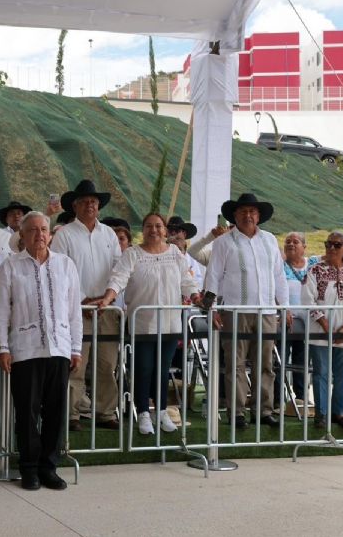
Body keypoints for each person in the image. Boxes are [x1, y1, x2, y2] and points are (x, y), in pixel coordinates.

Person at [0, 212, 82, 491]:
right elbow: (1, 311)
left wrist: (76, 347)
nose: (39, 235)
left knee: (56, 411)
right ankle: (29, 469)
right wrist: (2, 347)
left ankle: (49, 467)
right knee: (27, 413)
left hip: (59, 348)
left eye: (44, 229)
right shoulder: (10, 266)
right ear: (22, 235)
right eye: (33, 230)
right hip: (25, 350)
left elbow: (74, 311)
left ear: (51, 234)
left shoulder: (66, 265)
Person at [202, 193, 288, 429]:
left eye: (252, 211)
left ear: (258, 215)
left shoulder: (270, 240)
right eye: (243, 212)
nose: (248, 215)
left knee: (265, 364)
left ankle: (263, 411)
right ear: (235, 216)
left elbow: (279, 275)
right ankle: (237, 412)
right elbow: (213, 276)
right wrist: (213, 309)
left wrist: (285, 306)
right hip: (234, 311)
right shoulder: (223, 243)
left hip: (267, 311)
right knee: (236, 364)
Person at [108, 214, 199, 434]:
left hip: (170, 323)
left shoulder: (175, 253)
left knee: (162, 369)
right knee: (143, 368)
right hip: (143, 323)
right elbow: (119, 277)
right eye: (149, 226)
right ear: (143, 230)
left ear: (166, 231)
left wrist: (196, 296)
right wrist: (108, 296)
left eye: (158, 226)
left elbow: (186, 281)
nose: (154, 230)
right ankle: (143, 412)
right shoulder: (133, 254)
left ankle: (161, 411)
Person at [50, 180, 122, 431]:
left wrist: (108, 297)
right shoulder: (64, 234)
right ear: (75, 205)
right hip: (76, 309)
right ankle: (71, 414)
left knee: (107, 364)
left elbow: (118, 268)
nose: (90, 205)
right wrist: (81, 299)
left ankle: (105, 412)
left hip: (107, 308)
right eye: (85, 201)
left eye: (94, 201)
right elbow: (59, 271)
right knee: (76, 364)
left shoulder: (109, 234)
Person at [302, 231, 343, 430]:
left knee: (342, 375)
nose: (331, 248)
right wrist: (324, 324)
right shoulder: (314, 271)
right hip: (319, 333)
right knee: (320, 373)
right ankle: (320, 414)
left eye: (336, 245)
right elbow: (307, 300)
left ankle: (338, 412)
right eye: (328, 244)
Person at [280, 231, 319, 402]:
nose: (291, 244)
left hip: (307, 321)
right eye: (288, 241)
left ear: (304, 247)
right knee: (280, 358)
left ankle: (301, 397)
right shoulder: (279, 265)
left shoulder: (312, 263)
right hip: (285, 319)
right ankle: (277, 398)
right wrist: (283, 310)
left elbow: (338, 253)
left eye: (295, 241)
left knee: (301, 359)